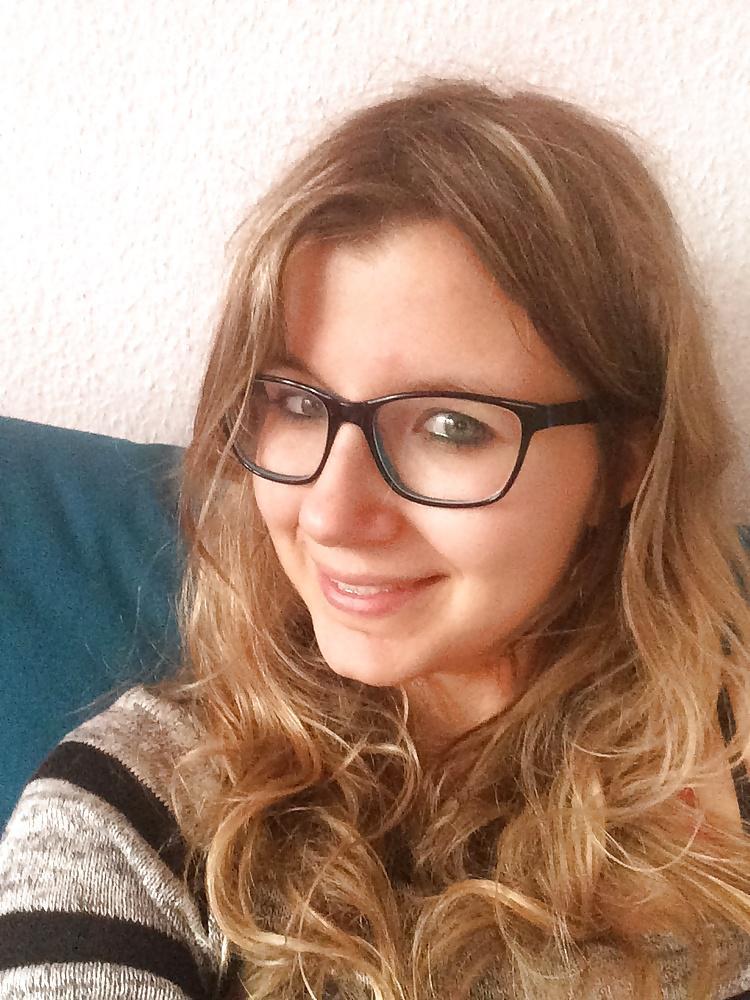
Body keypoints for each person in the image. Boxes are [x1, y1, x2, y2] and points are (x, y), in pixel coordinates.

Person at [1, 77, 750, 1000]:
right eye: (295, 401)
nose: (330, 514)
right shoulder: (133, 819)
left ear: (626, 461)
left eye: (450, 426)